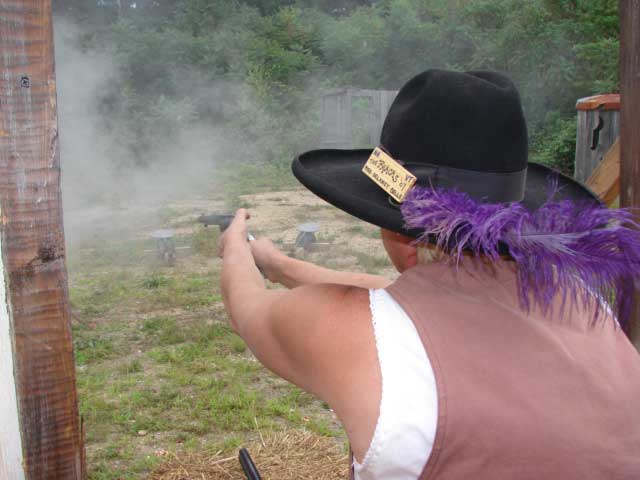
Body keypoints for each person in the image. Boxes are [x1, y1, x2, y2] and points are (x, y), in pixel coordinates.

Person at [219, 69, 640, 480]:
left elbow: (247, 309)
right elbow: (406, 306)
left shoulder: (350, 331)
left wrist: (237, 244)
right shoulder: (585, 303)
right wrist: (280, 265)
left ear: (393, 223)